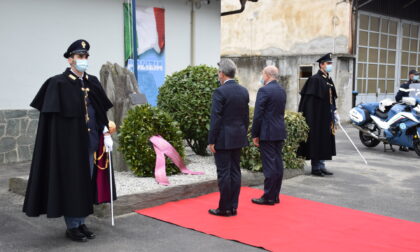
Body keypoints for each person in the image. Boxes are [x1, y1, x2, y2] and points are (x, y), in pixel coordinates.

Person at [23, 40, 115, 242]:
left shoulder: (92, 82)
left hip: (91, 143)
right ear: (70, 59)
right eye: (80, 56)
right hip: (70, 147)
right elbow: (53, 123)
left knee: (86, 184)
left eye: (86, 57)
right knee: (73, 185)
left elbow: (99, 111)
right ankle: (73, 226)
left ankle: (81, 223)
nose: (83, 60)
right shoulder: (58, 83)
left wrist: (105, 132)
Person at [208, 59, 249, 217]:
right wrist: (242, 132)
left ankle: (224, 208)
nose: (218, 75)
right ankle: (233, 206)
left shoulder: (220, 92)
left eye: (219, 72)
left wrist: (211, 140)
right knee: (235, 172)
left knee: (224, 173)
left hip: (224, 138)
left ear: (222, 74)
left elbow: (216, 118)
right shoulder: (243, 91)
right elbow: (246, 117)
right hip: (238, 136)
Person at [298, 53, 339, 177]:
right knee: (317, 140)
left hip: (327, 116)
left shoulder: (328, 79)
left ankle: (322, 165)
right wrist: (311, 117)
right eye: (328, 64)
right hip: (317, 117)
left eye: (331, 64)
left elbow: (332, 98)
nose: (330, 66)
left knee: (325, 141)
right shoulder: (315, 79)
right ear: (321, 65)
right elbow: (309, 102)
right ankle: (315, 167)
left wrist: (335, 111)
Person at [251, 66, 287, 205]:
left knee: (269, 166)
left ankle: (268, 197)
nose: (262, 76)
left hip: (267, 132)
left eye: (262, 74)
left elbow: (258, 114)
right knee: (277, 164)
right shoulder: (281, 90)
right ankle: (275, 195)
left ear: (267, 75)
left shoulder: (264, 90)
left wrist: (255, 133)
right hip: (279, 130)